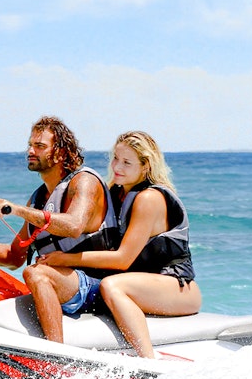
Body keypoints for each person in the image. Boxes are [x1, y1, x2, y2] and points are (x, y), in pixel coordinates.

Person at [37, 131, 201, 358]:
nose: (117, 167)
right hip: (141, 284)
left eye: (127, 162)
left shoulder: (149, 198)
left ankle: (148, 362)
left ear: (145, 167)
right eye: (115, 158)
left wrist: (66, 259)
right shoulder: (115, 193)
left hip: (176, 286)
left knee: (112, 286)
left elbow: (123, 259)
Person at [0, 116, 118, 343]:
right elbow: (13, 257)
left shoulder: (84, 182)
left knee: (36, 273)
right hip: (68, 284)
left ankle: (56, 354)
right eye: (30, 145)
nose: (30, 151)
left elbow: (74, 225)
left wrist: (17, 210)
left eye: (39, 146)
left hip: (99, 285)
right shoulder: (39, 198)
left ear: (60, 153)